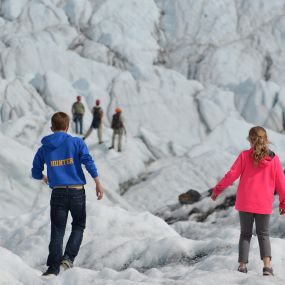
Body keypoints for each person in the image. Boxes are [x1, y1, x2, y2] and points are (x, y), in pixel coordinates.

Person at [31, 112, 104, 276]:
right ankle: (68, 259)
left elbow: (35, 171)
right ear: (67, 127)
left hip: (57, 193)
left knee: (57, 230)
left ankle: (52, 268)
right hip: (77, 191)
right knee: (78, 225)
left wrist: (44, 177)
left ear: (52, 128)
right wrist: (98, 182)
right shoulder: (76, 142)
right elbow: (88, 161)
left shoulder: (44, 148)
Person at [211, 126, 285, 276]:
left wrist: (217, 189)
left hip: (245, 202)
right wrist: (283, 202)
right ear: (266, 140)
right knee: (263, 234)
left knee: (245, 234)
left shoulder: (244, 156)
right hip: (263, 203)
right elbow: (281, 183)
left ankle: (242, 266)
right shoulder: (274, 159)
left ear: (250, 140)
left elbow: (231, 175)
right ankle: (267, 267)